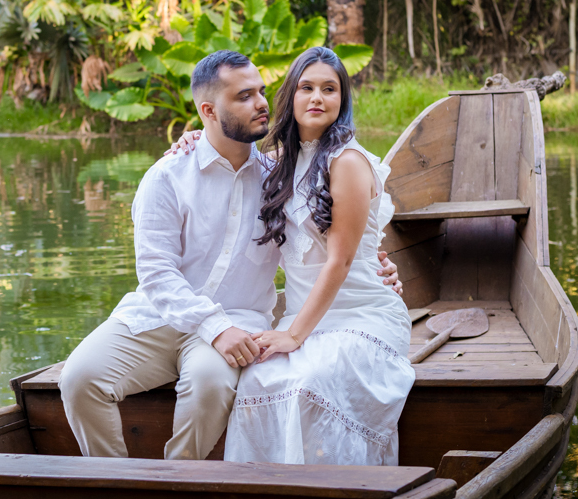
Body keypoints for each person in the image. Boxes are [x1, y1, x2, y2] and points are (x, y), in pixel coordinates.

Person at [58, 50, 401, 460]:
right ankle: (114, 484)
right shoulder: (168, 175)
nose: (260, 104)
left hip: (238, 323)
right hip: (158, 317)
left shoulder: (277, 175)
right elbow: (156, 273)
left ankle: (177, 484)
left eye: (261, 92)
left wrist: (379, 263)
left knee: (209, 386)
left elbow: (334, 235)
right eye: (244, 97)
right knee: (78, 378)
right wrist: (213, 326)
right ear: (208, 110)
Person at [172, 47, 415, 466]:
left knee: (308, 382)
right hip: (303, 316)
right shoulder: (278, 162)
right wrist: (193, 138)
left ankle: (338, 495)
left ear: (342, 101)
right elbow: (224, 149)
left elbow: (339, 262)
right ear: (291, 95)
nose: (317, 97)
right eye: (306, 87)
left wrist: (294, 337)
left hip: (359, 314)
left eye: (329, 89)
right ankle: (265, 494)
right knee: (256, 382)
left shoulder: (349, 162)